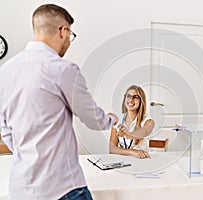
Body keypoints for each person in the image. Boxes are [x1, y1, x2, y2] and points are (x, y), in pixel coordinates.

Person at [0, 4, 118, 200]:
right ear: (63, 31)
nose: (69, 41)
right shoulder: (63, 69)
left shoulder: (5, 71)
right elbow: (93, 120)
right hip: (62, 189)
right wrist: (111, 120)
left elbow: (6, 130)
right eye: (70, 35)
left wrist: (30, 155)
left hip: (21, 189)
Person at [109, 85, 155, 159]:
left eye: (135, 97)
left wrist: (129, 135)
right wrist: (132, 151)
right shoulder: (118, 121)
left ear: (141, 101)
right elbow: (112, 149)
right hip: (124, 161)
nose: (131, 100)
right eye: (128, 96)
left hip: (142, 160)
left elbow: (146, 131)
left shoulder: (147, 120)